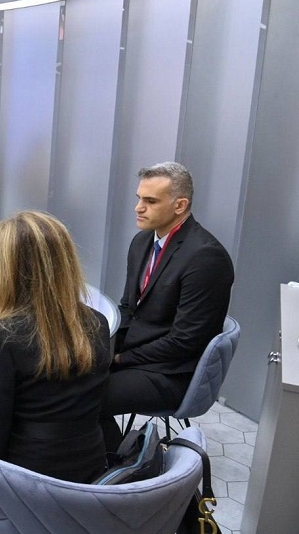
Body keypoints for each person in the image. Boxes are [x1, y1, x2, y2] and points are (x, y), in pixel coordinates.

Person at [0, 211, 111, 530]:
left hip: (23, 496)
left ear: (11, 272)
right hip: (87, 485)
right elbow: (48, 406)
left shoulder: (2, 336)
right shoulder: (96, 324)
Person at [100, 162, 234, 451]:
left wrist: (120, 358)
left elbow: (185, 342)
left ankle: (114, 464)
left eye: (150, 201)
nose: (138, 208)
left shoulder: (206, 257)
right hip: (141, 355)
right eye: (139, 198)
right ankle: (108, 456)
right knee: (67, 380)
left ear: (180, 205)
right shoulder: (142, 241)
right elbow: (128, 308)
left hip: (171, 373)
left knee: (80, 396)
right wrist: (100, 347)